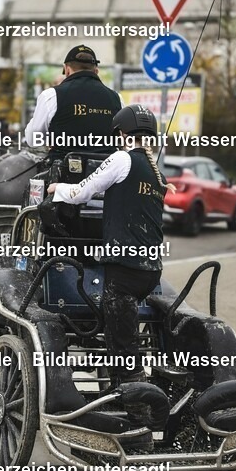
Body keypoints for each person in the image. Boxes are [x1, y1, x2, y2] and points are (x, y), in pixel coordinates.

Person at [46, 104, 170, 384]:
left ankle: (133, 394)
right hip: (151, 271)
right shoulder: (158, 175)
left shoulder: (121, 159)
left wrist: (57, 189)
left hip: (124, 270)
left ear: (122, 134)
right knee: (121, 333)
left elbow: (83, 192)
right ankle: (125, 386)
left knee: (122, 349)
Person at [24, 45, 123, 163]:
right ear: (96, 71)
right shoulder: (117, 98)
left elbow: (33, 139)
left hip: (64, 171)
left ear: (66, 69)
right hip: (109, 170)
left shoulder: (51, 95)